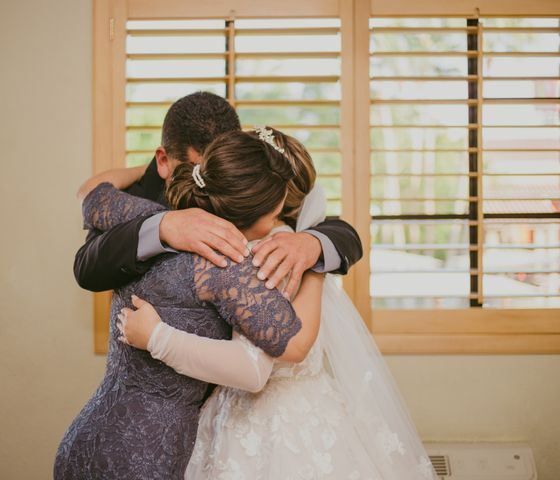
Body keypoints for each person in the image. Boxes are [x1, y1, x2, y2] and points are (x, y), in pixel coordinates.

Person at [118, 128, 439, 479]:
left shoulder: (272, 253)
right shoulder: (252, 244)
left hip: (274, 421)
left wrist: (157, 338)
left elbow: (258, 366)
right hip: (262, 409)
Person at [54, 129, 325, 479]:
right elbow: (284, 347)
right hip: (145, 456)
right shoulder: (234, 264)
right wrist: (315, 264)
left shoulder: (152, 220)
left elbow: (93, 196)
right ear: (265, 212)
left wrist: (163, 179)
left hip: (87, 437)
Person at [73, 91, 363, 300]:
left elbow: (344, 233)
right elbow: (87, 267)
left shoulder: (255, 181)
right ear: (163, 161)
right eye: (197, 169)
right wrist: (163, 226)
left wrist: (311, 243)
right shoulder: (137, 194)